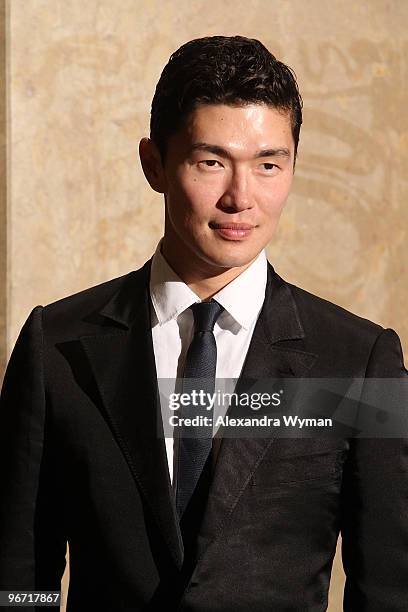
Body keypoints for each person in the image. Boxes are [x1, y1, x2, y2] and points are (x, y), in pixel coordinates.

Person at [0, 35, 407, 612]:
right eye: (211, 162)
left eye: (269, 164)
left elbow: (392, 589)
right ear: (154, 163)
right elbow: (19, 576)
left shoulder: (362, 360)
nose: (242, 198)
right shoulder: (56, 347)